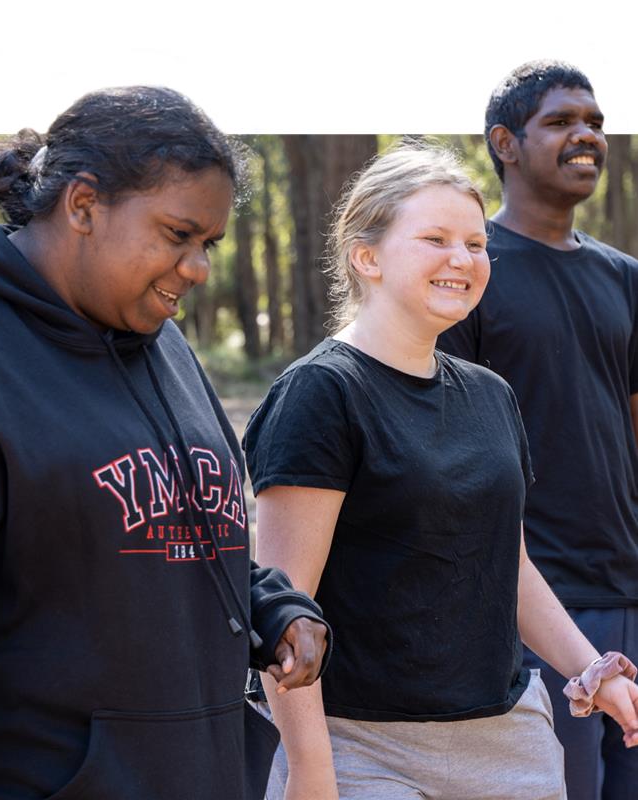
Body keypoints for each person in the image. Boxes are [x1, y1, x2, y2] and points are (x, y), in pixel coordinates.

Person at [241, 143, 638, 800]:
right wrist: (311, 773)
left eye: (476, 243)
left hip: (510, 736)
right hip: (363, 746)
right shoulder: (319, 393)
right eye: (434, 239)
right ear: (365, 256)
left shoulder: (490, 393)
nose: (462, 259)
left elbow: (508, 566)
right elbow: (284, 609)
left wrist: (591, 668)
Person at [0, 86, 331, 800]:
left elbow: (168, 528)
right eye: (177, 234)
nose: (198, 268)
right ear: (82, 206)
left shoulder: (160, 340)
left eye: (209, 245)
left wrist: (272, 608)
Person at [437, 60, 638, 800]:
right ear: (505, 143)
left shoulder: (624, 278)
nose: (585, 135)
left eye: (594, 122)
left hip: (627, 591)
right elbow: (443, 443)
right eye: (560, 122)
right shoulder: (468, 275)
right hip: (532, 606)